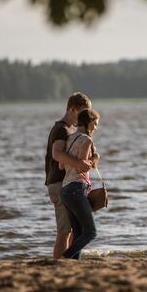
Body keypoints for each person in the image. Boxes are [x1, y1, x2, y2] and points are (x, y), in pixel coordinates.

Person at [44, 92, 92, 260]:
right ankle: (58, 264)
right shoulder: (62, 129)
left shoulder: (67, 130)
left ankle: (69, 262)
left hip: (62, 184)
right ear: (72, 109)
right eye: (82, 112)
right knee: (64, 231)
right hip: (58, 183)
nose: (84, 117)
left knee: (71, 229)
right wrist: (78, 163)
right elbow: (57, 154)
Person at [61, 108, 101, 260]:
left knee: (78, 233)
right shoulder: (86, 140)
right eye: (95, 123)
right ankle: (65, 258)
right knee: (91, 232)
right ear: (87, 122)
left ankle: (71, 263)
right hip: (77, 188)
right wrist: (94, 158)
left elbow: (61, 166)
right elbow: (81, 166)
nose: (95, 127)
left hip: (65, 189)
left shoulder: (70, 138)